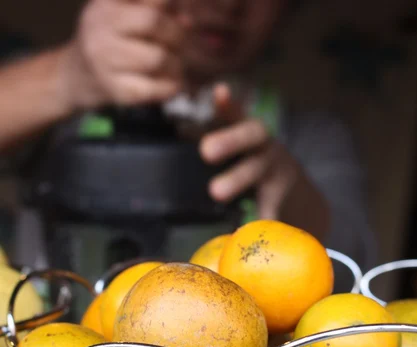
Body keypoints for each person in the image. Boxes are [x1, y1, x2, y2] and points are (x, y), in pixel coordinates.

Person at [0, 0, 375, 270]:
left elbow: (358, 270)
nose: (228, 5)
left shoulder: (311, 135)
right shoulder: (54, 100)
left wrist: (291, 196)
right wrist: (65, 77)